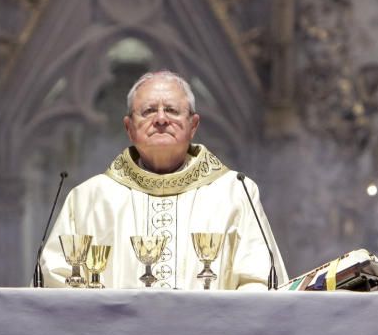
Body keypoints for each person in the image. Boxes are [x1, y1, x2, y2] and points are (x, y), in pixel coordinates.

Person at [41, 70, 286, 290]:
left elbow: (260, 282)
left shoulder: (235, 192)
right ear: (129, 128)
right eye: (148, 111)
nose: (160, 119)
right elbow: (55, 280)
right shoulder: (88, 199)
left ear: (193, 125)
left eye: (171, 110)